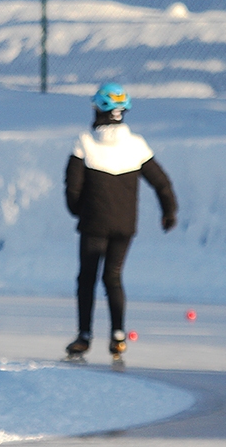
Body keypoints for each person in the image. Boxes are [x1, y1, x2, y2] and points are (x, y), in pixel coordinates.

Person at [64, 83, 178, 360]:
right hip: (125, 226)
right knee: (113, 278)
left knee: (87, 279)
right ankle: (118, 335)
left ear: (99, 110)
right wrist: (169, 211)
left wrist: (78, 210)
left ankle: (84, 336)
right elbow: (161, 183)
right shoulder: (137, 145)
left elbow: (72, 187)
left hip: (94, 225)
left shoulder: (85, 143)